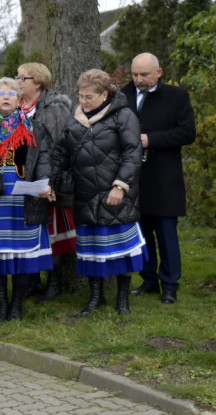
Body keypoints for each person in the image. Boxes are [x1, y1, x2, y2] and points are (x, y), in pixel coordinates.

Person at [54, 69, 145, 315]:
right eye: (81, 96)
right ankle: (96, 297)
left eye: (88, 97)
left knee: (124, 251)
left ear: (105, 94)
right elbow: (61, 154)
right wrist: (49, 182)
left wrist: (120, 186)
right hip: (85, 195)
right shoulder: (74, 119)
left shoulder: (123, 116)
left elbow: (132, 154)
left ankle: (122, 299)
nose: (83, 101)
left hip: (115, 194)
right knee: (91, 250)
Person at [0, 77, 54, 322]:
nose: (6, 97)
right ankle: (1, 305)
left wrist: (46, 182)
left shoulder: (34, 128)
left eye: (11, 93)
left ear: (19, 99)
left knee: (21, 256)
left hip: (22, 201)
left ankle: (17, 305)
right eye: (1, 93)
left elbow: (45, 159)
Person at [121, 52, 196, 304]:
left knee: (166, 234)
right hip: (134, 177)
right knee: (142, 233)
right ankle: (149, 280)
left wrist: (150, 139)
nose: (139, 79)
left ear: (159, 73)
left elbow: (187, 132)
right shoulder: (123, 95)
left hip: (164, 177)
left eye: (144, 75)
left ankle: (170, 284)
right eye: (135, 74)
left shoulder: (177, 96)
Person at [17, 62, 75, 303]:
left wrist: (49, 180)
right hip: (22, 180)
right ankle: (32, 281)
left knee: (50, 236)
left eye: (23, 78)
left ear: (38, 82)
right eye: (17, 77)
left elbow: (61, 147)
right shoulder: (17, 108)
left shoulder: (54, 108)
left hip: (47, 179)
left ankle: (53, 283)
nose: (18, 82)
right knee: (27, 232)